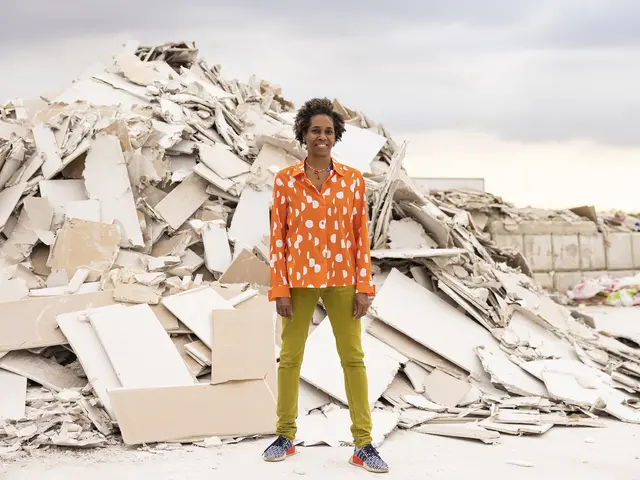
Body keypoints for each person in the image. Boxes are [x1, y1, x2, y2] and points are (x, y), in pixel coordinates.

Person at [261, 97, 389, 474]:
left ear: (337, 136)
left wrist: (364, 285)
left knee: (353, 359)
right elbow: (279, 237)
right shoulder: (286, 180)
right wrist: (279, 289)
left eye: (329, 131)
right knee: (290, 359)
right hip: (298, 281)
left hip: (342, 279)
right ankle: (285, 436)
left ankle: (363, 444)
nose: (322, 136)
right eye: (315, 130)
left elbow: (360, 236)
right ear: (303, 134)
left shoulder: (352, 180)